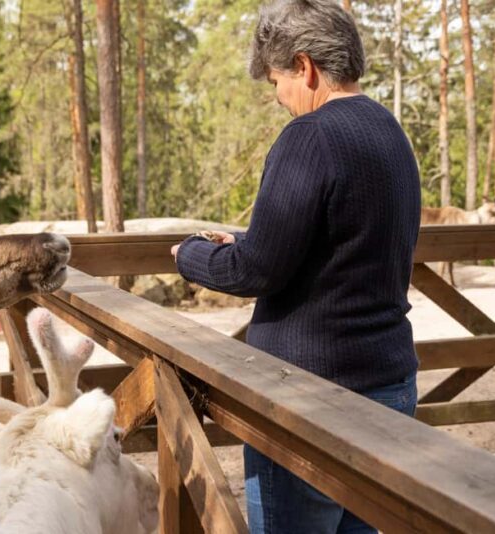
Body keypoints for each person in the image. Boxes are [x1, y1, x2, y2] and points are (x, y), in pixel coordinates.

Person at [171, 1, 420, 532]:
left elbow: (255, 270)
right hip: (389, 386)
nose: (280, 96)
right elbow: (340, 243)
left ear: (304, 67)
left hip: (310, 401)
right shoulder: (388, 129)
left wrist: (190, 256)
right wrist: (243, 239)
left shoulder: (310, 136)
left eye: (277, 80)